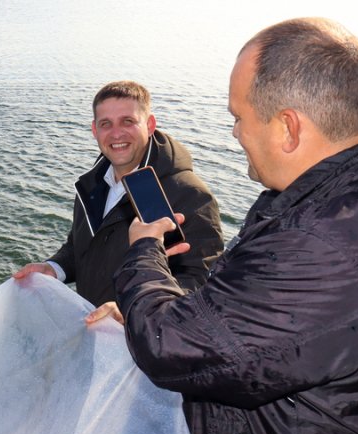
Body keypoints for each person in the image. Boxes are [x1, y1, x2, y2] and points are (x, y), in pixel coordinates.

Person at [114, 18, 358, 434]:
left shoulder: (320, 246)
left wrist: (145, 253)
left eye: (239, 117)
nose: (234, 133)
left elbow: (167, 346)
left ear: (289, 127)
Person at [14, 81, 224, 322]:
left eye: (128, 121)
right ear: (95, 130)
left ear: (150, 124)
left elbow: (202, 282)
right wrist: (54, 269)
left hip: (144, 343)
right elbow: (79, 246)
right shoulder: (92, 183)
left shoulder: (188, 195)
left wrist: (132, 310)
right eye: (106, 124)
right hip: (94, 327)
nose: (116, 134)